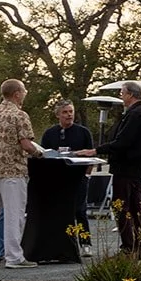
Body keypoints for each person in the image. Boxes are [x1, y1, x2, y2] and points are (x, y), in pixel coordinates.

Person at [0, 79, 42, 269]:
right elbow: (26, 144)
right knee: (14, 214)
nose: (25, 94)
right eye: (24, 91)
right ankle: (14, 257)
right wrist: (39, 153)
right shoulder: (19, 115)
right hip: (12, 171)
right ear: (17, 94)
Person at [90, 81, 141, 256]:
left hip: (126, 167)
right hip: (137, 167)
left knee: (122, 207)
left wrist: (97, 150)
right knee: (136, 209)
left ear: (131, 95)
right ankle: (138, 248)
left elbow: (123, 142)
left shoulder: (136, 115)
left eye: (122, 92)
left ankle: (129, 247)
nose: (121, 96)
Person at [42, 100, 95, 249]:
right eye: (65, 112)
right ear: (58, 114)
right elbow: (43, 155)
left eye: (71, 111)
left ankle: (85, 243)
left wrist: (87, 175)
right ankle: (64, 245)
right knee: (60, 211)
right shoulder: (49, 133)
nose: (69, 115)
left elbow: (91, 156)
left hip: (79, 177)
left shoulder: (83, 132)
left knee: (80, 210)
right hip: (57, 178)